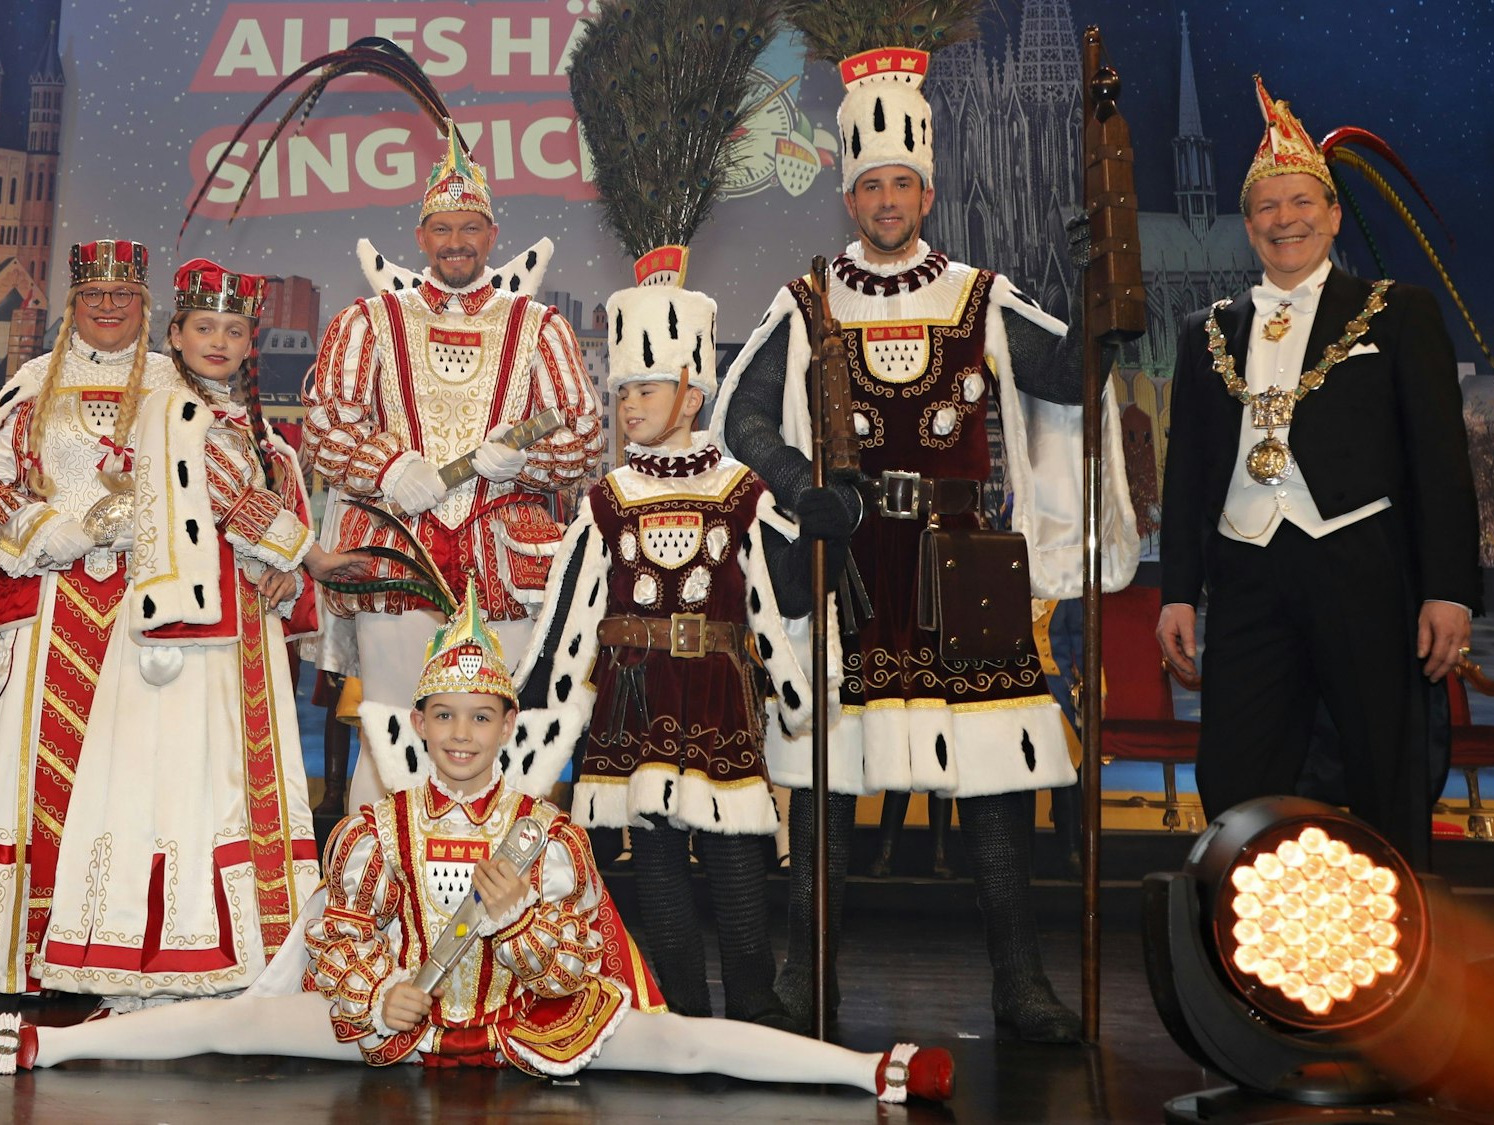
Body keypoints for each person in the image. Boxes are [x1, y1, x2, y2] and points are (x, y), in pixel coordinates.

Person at [0, 584, 954, 1106]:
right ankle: (50, 1045)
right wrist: (374, 992)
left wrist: (515, 918)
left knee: (683, 1047)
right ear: (416, 726)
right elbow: (339, 933)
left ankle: (868, 1069)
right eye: (445, 718)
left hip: (528, 1023)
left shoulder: (546, 835)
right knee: (229, 1024)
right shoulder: (374, 830)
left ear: (505, 729)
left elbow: (576, 965)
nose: (462, 736)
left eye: (481, 718)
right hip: (410, 1023)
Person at [713, 26, 1137, 1041]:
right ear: (847, 197)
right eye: (871, 187)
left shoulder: (981, 298)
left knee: (992, 784)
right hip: (848, 567)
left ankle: (1018, 983)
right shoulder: (806, 301)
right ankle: (809, 980)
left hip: (965, 568)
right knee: (824, 785)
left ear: (926, 193)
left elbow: (1072, 379)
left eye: (902, 183)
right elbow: (745, 415)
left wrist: (1099, 292)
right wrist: (794, 483)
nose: (887, 202)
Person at [1155, 78, 1479, 870]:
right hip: (1247, 579)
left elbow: (1440, 462)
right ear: (1248, 223)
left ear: (1333, 215)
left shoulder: (1398, 313)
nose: (1284, 218)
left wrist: (1450, 587)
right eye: (1266, 205)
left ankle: (1390, 957)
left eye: (1302, 201)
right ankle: (1245, 952)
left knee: (1382, 770)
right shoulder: (1206, 333)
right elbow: (1188, 476)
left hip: (1360, 570)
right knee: (1235, 773)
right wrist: (1175, 591)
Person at [31, 257, 363, 1003]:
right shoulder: (167, 410)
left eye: (235, 329)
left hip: (241, 628)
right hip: (175, 634)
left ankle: (243, 949)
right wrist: (312, 555)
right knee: (174, 774)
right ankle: (158, 947)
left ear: (253, 343)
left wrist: (286, 572)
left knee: (231, 779)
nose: (218, 340)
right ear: (174, 335)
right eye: (203, 326)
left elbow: (269, 506)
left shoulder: (264, 436)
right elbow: (226, 494)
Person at [511, 265, 815, 1025]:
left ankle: (751, 1000)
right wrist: (539, 700)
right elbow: (570, 618)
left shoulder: (744, 491)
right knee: (652, 864)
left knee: (737, 858)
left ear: (692, 390)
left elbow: (774, 601)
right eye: (621, 392)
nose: (629, 405)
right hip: (632, 700)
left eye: (645, 389)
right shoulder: (606, 502)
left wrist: (794, 681)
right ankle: (679, 1004)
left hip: (717, 695)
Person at [301, 129, 603, 814]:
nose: (457, 241)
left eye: (470, 227)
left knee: (510, 736)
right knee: (394, 730)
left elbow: (584, 434)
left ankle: (507, 905)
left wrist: (525, 459)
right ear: (421, 234)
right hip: (398, 559)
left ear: (493, 234)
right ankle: (380, 897)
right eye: (443, 228)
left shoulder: (541, 327)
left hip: (507, 562)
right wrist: (389, 465)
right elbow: (322, 424)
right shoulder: (367, 322)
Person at [0, 238, 181, 995]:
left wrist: (149, 520)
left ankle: (115, 945)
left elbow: (213, 476)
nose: (108, 306)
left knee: (132, 774)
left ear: (144, 304)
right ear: (74, 303)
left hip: (137, 608)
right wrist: (36, 526)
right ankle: (20, 950)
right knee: (30, 770)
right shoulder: (33, 381)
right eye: (94, 295)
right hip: (45, 604)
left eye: (122, 295)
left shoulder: (175, 383)